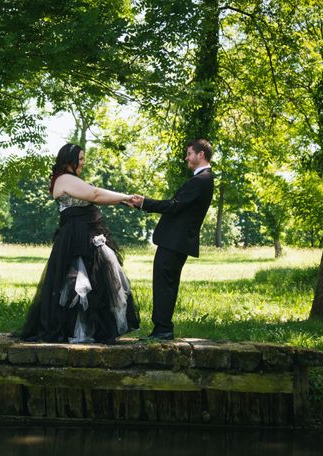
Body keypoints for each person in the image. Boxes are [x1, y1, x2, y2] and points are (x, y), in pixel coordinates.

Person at [20, 143, 140, 344]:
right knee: (76, 283)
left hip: (84, 234)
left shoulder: (71, 179)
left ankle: (90, 329)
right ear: (69, 160)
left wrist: (122, 200)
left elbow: (96, 193)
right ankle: (73, 329)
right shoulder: (64, 178)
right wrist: (125, 197)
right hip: (76, 237)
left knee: (91, 283)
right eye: (81, 159)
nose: (83, 162)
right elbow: (94, 195)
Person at [127, 138, 214, 340]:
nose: (187, 157)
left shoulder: (201, 181)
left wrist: (144, 203)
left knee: (164, 284)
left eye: (189, 153)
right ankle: (161, 328)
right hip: (176, 241)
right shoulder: (202, 180)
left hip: (175, 241)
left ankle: (163, 329)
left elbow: (174, 206)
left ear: (200, 155)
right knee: (165, 283)